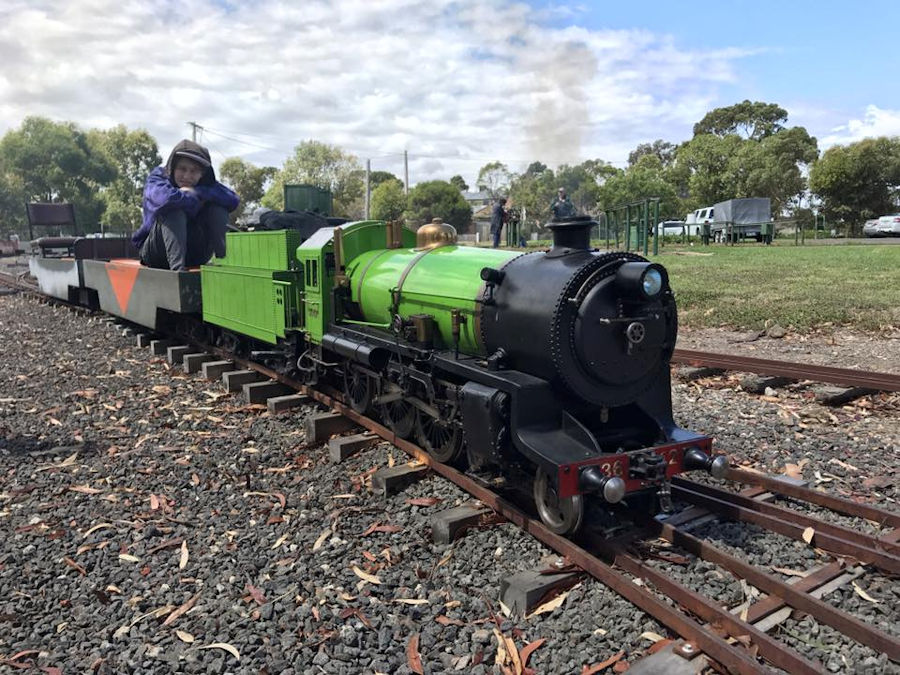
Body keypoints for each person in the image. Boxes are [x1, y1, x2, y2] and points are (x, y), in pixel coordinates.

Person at [132, 139, 239, 270]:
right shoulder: (158, 177)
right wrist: (193, 199)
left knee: (217, 209)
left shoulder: (206, 184)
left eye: (194, 171)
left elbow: (233, 199)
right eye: (182, 169)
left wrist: (196, 192)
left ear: (202, 174)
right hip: (157, 254)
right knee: (173, 210)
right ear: (172, 167)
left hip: (195, 253)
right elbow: (165, 199)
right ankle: (178, 272)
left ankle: (223, 261)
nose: (187, 176)